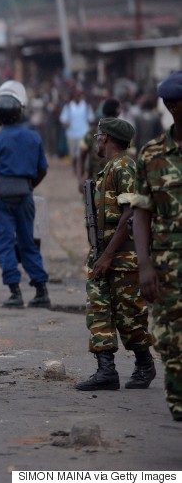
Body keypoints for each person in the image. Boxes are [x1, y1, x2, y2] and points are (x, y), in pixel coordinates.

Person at [76, 117, 156, 391]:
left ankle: (145, 365)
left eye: (99, 135)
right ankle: (106, 370)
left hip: (121, 257)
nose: (96, 139)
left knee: (129, 318)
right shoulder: (109, 168)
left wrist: (108, 255)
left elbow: (130, 215)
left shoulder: (124, 168)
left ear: (106, 138)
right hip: (103, 255)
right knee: (99, 311)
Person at [131, 71, 182, 422]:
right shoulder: (152, 154)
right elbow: (140, 212)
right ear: (174, 107)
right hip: (169, 266)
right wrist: (144, 264)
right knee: (169, 340)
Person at [0, 87, 50, 308]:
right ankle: (41, 290)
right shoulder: (33, 136)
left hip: (2, 196)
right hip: (25, 194)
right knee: (28, 243)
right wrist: (29, 186)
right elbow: (42, 168)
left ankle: (15, 292)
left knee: (3, 244)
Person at [76, 99, 120, 193]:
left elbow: (81, 155)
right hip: (111, 184)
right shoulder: (122, 133)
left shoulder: (93, 132)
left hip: (103, 184)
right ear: (117, 112)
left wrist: (80, 178)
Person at [60, 88, 95, 170]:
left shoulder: (86, 106)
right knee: (73, 155)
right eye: (76, 95)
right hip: (71, 134)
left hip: (83, 134)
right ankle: (75, 169)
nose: (78, 97)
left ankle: (82, 169)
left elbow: (91, 119)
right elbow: (63, 119)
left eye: (79, 95)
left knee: (82, 154)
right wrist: (66, 124)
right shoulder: (68, 107)